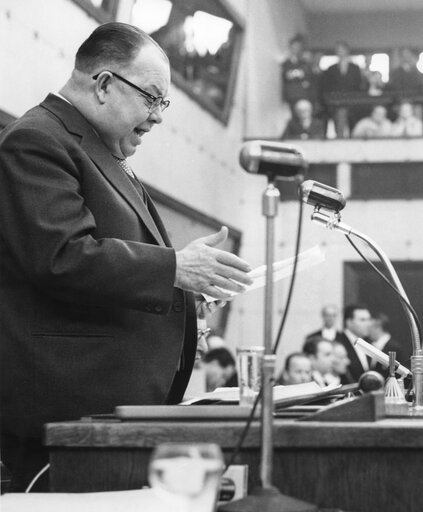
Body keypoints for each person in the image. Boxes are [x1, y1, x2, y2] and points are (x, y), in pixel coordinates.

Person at [0, 22, 253, 491]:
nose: (158, 116)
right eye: (152, 99)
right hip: (66, 418)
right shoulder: (36, 140)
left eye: (163, 104)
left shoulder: (103, 152)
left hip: (112, 415)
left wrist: (184, 291)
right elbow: (62, 255)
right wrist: (175, 268)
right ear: (103, 84)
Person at [321, 41, 363, 138]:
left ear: (347, 51)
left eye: (342, 50)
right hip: (337, 104)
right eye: (338, 51)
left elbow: (359, 86)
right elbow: (328, 86)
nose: (340, 53)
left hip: (353, 103)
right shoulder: (331, 69)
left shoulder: (355, 68)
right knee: (340, 119)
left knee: (354, 127)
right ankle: (340, 139)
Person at [337, 304, 372, 382]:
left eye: (369, 319)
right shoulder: (338, 343)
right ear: (349, 322)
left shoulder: (369, 343)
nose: (368, 324)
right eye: (362, 320)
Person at [369, 313, 410, 378]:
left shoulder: (395, 348)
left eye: (370, 328)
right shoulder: (372, 345)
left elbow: (404, 373)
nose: (368, 331)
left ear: (378, 327)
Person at [281, 35, 313, 111]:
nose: (296, 49)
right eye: (294, 46)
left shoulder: (304, 63)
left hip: (303, 94)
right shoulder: (286, 63)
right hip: (292, 94)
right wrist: (298, 73)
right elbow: (288, 76)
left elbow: (306, 76)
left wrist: (295, 73)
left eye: (298, 47)